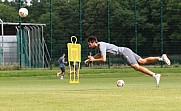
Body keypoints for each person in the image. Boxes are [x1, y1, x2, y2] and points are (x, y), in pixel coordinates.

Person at [84, 35, 171, 87]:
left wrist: (93, 60)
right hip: (125, 50)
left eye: (89, 44)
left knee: (136, 67)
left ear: (93, 42)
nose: (89, 46)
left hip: (123, 52)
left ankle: (155, 75)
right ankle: (161, 58)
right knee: (142, 61)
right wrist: (90, 60)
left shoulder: (101, 46)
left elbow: (103, 59)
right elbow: (98, 55)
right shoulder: (100, 46)